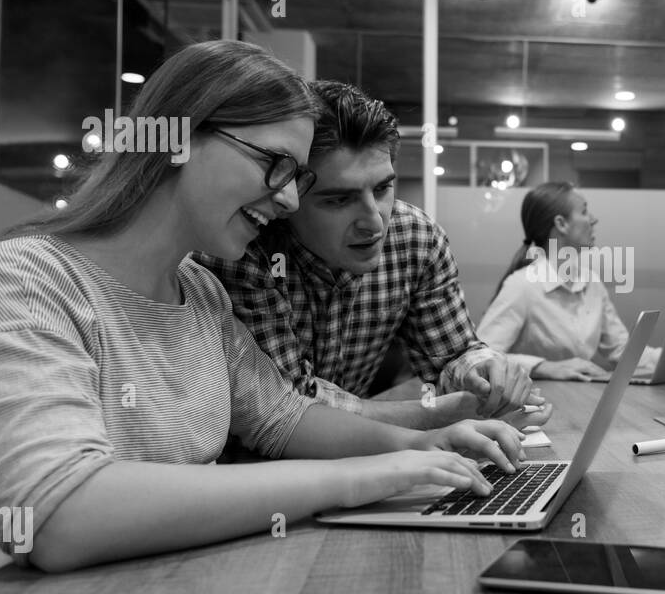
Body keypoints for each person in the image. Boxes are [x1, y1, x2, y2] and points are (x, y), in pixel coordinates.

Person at [0, 40, 521, 572]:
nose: (290, 199)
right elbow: (55, 517)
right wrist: (357, 476)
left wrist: (421, 446)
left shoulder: (201, 292)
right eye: (277, 166)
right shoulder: (19, 278)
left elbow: (284, 418)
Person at [194, 81, 544, 430]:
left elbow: (451, 355)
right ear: (288, 198)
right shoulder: (246, 248)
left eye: (382, 188)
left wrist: (482, 372)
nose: (374, 221)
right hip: (249, 467)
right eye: (338, 200)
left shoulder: (414, 239)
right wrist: (443, 414)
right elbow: (289, 406)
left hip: (363, 455)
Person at [478, 182, 665, 380]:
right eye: (584, 211)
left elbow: (622, 350)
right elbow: (482, 357)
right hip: (536, 403)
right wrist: (543, 367)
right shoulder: (522, 286)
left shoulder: (592, 283)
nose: (593, 219)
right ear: (561, 223)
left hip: (582, 401)